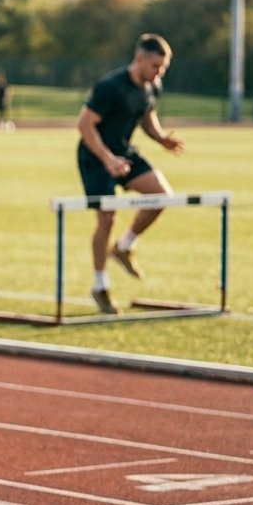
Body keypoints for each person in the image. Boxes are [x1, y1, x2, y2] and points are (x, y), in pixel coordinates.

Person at [75, 33, 185, 314]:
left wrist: (161, 139)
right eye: (155, 66)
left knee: (162, 196)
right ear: (139, 59)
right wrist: (108, 159)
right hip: (95, 155)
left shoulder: (152, 86)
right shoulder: (110, 86)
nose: (159, 73)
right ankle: (100, 287)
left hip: (124, 152)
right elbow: (85, 124)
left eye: (163, 68)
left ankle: (124, 247)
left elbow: (147, 116)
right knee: (107, 219)